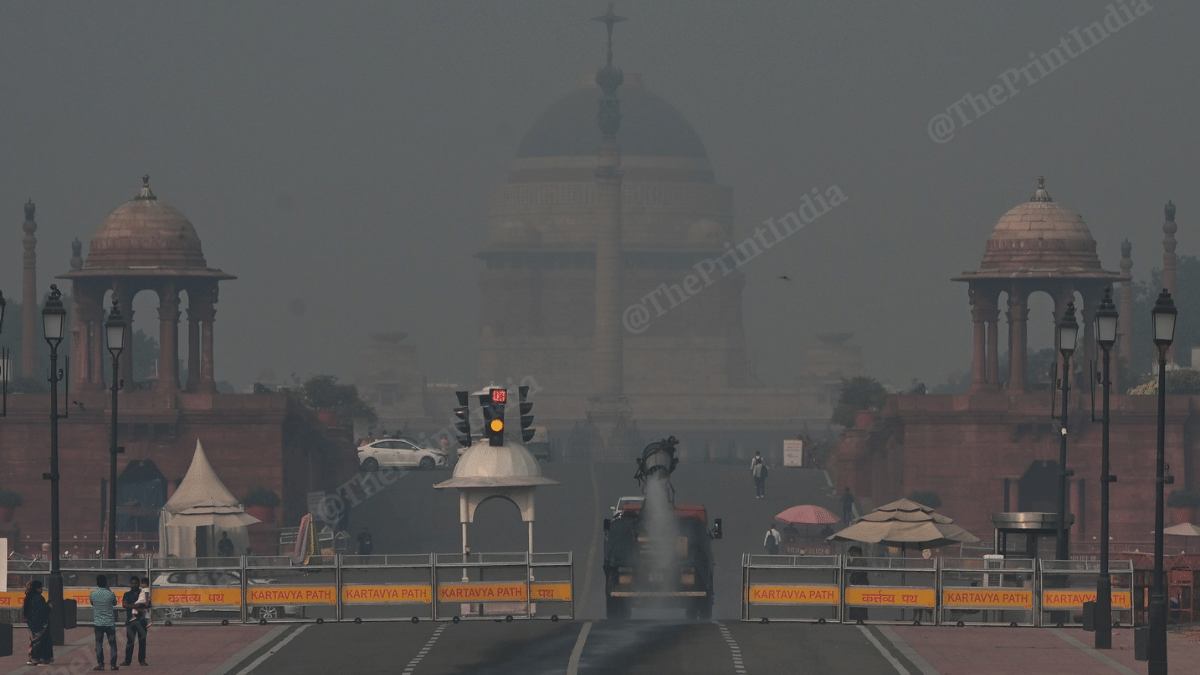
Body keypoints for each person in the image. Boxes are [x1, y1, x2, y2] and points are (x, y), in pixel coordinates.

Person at [90, 575, 119, 671]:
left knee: (99, 644)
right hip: (110, 623)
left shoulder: (93, 594)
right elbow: (115, 603)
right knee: (112, 644)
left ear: (97, 583)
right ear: (106, 582)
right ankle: (113, 664)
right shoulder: (111, 594)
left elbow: (92, 603)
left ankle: (101, 664)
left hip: (98, 623)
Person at [23, 580, 54, 666]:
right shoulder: (39, 598)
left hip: (31, 623)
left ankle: (31, 658)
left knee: (33, 640)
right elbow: (45, 610)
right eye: (40, 588)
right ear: (37, 588)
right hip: (40, 623)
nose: (42, 589)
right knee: (42, 641)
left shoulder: (28, 598)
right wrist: (49, 605)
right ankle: (39, 659)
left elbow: (26, 611)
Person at [121, 576, 148, 667]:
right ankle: (127, 661)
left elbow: (148, 604)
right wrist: (135, 606)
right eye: (132, 583)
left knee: (142, 641)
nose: (134, 585)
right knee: (130, 641)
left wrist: (138, 606)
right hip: (130, 622)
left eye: (136, 583)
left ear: (139, 584)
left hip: (142, 621)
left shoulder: (143, 593)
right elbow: (124, 605)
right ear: (130, 584)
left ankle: (142, 660)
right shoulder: (127, 594)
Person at [847, 545, 870, 622]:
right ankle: (854, 616)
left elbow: (857, 569)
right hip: (855, 583)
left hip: (861, 582)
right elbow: (849, 570)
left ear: (856, 552)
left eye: (852, 552)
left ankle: (861, 616)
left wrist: (849, 564)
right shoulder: (855, 560)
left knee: (861, 601)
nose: (851, 554)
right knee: (854, 600)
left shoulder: (861, 560)